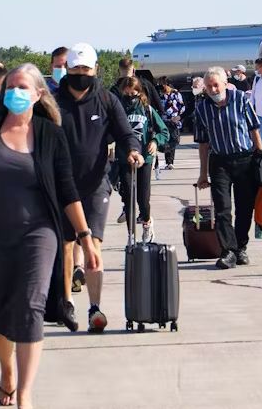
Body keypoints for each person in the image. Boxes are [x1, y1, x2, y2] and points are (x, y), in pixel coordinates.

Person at [0, 63, 101, 409]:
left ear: (39, 94)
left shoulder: (50, 133)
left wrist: (85, 236)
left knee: (31, 307)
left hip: (39, 233)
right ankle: (7, 371)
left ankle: (24, 393)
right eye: (11, 87)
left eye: (24, 87)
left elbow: (67, 189)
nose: (16, 93)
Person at [55, 43, 141, 333]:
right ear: (67, 70)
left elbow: (125, 133)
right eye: (76, 69)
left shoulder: (106, 100)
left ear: (96, 70)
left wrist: (132, 151)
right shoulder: (53, 103)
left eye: (86, 69)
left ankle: (94, 308)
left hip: (95, 184)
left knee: (92, 245)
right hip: (60, 187)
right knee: (66, 246)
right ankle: (66, 303)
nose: (81, 74)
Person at [195, 66, 262, 269]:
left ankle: (240, 248)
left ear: (225, 84)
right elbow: (203, 143)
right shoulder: (202, 108)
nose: (213, 90)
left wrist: (260, 157)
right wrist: (203, 173)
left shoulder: (241, 99)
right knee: (223, 209)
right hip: (220, 163)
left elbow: (254, 129)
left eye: (216, 85)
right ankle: (227, 251)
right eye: (209, 87)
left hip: (244, 160)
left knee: (245, 207)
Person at [117, 77, 168, 243]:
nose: (130, 96)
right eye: (127, 93)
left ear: (139, 92)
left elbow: (164, 132)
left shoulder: (147, 109)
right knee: (128, 199)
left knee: (143, 199)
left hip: (144, 159)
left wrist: (155, 141)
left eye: (134, 93)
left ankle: (147, 222)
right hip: (125, 159)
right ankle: (131, 235)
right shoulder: (118, 109)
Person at [157, 77, 185, 169]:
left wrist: (179, 117)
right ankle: (162, 161)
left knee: (172, 141)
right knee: (164, 141)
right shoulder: (159, 94)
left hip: (173, 121)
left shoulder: (176, 94)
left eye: (163, 84)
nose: (161, 86)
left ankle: (170, 162)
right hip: (163, 121)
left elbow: (182, 107)